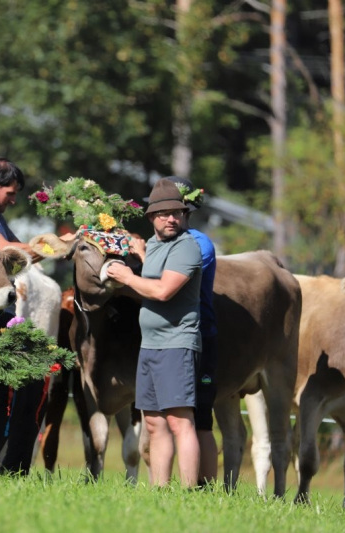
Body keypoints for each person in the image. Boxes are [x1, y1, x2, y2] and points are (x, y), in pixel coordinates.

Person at [106, 177, 202, 488]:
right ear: (151, 218)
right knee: (153, 422)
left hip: (176, 344)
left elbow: (162, 290)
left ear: (184, 215)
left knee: (179, 421)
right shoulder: (157, 245)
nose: (171, 219)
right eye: (164, 214)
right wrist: (142, 254)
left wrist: (125, 276)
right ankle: (160, 492)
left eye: (177, 213)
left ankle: (188, 493)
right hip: (150, 346)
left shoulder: (187, 247)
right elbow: (156, 274)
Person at [0, 156, 45, 475]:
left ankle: (11, 463)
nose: (14, 200)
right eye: (11, 193)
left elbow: (19, 251)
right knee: (4, 389)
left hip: (2, 314)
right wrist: (50, 246)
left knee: (31, 375)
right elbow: (7, 251)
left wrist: (47, 247)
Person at [165, 176, 218, 486]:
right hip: (169, 339)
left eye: (170, 209)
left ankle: (205, 490)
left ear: (185, 210)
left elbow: (168, 283)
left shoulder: (200, 244)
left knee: (201, 419)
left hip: (199, 338)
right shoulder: (161, 242)